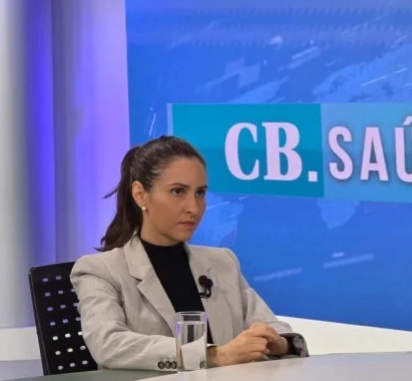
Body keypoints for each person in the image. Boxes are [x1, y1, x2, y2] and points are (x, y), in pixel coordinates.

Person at [70, 136, 308, 371]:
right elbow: (108, 344)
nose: (193, 208)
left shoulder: (223, 262)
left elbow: (271, 326)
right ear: (140, 194)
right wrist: (214, 355)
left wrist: (278, 343)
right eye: (177, 192)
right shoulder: (100, 270)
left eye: (200, 193)